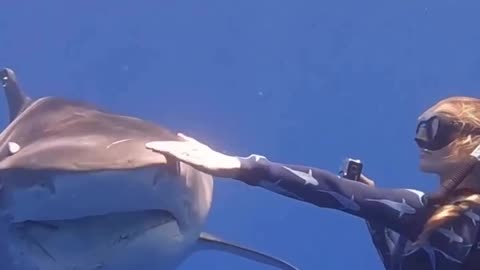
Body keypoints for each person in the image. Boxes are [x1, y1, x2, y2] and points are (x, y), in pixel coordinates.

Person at [145, 96, 480, 270]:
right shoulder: (428, 215)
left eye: (436, 129)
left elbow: (328, 189)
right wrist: (374, 220)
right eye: (420, 128)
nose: (419, 139)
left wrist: (239, 166)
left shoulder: (427, 212)